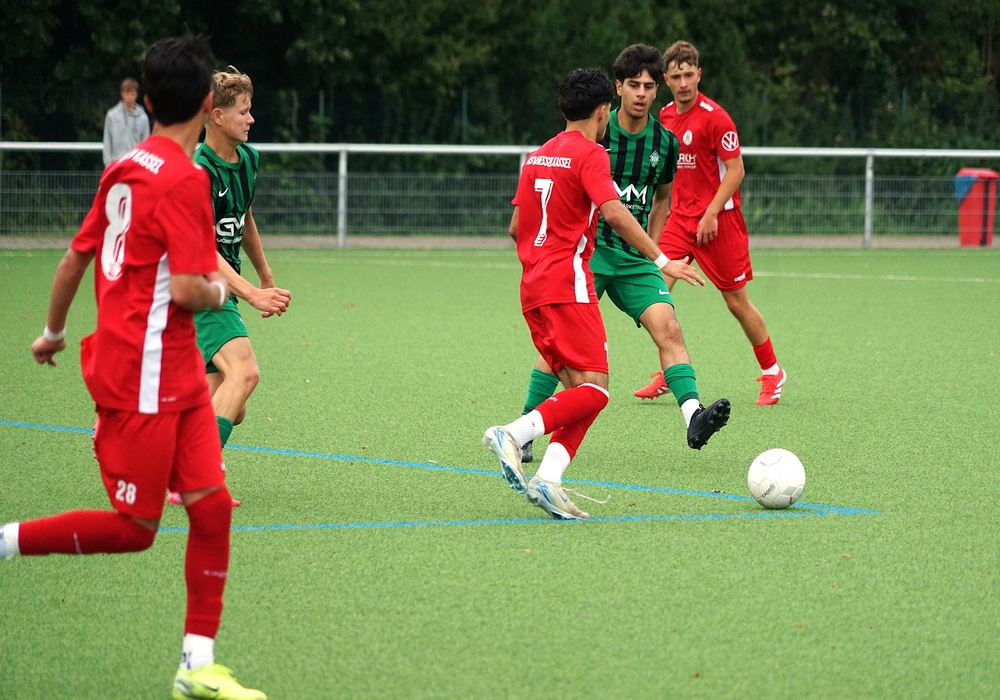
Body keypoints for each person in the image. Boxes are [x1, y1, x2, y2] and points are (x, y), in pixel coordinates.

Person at [4, 35, 267, 700]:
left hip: (174, 373)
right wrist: (224, 292)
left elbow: (76, 257)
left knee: (213, 509)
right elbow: (190, 288)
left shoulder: (124, 168)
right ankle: (4, 541)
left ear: (146, 101)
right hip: (140, 376)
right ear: (206, 103)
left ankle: (196, 665)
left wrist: (52, 332)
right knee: (135, 530)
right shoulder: (184, 179)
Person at [483, 68, 730, 521]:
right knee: (596, 391)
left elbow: (516, 227)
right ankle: (514, 433)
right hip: (569, 283)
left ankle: (549, 479)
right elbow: (614, 213)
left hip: (534, 285)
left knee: (579, 390)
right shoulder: (592, 153)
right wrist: (662, 258)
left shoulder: (536, 156)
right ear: (602, 111)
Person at [167, 67, 290, 507]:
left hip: (224, 287)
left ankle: (154, 439)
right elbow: (203, 250)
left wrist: (265, 275)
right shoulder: (197, 172)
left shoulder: (249, 159)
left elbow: (244, 217)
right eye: (243, 111)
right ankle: (195, 478)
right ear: (216, 117)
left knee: (231, 406)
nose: (251, 119)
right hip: (199, 286)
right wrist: (252, 294)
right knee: (245, 374)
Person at [646, 40, 786, 406]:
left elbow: (736, 170)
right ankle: (671, 370)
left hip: (719, 223)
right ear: (666, 80)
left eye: (688, 75)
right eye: (676, 77)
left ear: (699, 74)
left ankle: (772, 371)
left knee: (736, 303)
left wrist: (710, 212)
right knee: (654, 294)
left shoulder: (716, 118)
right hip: (681, 220)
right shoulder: (666, 116)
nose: (683, 83)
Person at [102, 77, 151, 167]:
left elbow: (146, 143)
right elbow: (107, 142)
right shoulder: (112, 115)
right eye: (127, 93)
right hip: (116, 164)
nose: (129, 97)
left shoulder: (143, 117)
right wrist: (108, 165)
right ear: (122, 93)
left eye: (132, 93)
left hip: (135, 165)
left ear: (136, 94)